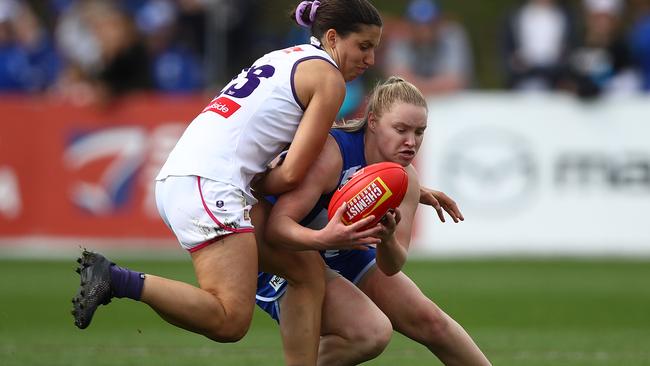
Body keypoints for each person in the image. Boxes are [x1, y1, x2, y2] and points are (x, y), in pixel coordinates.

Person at [71, 2, 383, 365]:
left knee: (305, 271)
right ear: (332, 37)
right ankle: (116, 279)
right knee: (230, 321)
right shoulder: (328, 80)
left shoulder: (286, 56)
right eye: (363, 46)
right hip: (211, 183)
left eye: (374, 48)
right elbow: (293, 174)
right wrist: (266, 180)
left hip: (191, 176)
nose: (371, 59)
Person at [256, 77, 491, 365]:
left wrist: (387, 239)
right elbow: (276, 228)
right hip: (283, 254)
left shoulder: (406, 179)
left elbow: (392, 266)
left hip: (340, 249)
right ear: (373, 122)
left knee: (431, 322)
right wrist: (326, 238)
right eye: (401, 129)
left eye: (420, 132)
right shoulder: (332, 153)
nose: (411, 142)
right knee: (370, 333)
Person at [383, 0, 473, 95]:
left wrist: (413, 85)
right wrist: (439, 85)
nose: (424, 30)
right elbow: (396, 82)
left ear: (440, 22)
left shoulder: (453, 35)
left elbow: (456, 82)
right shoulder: (400, 37)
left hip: (452, 102)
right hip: (411, 102)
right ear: (408, 24)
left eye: (430, 24)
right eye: (417, 24)